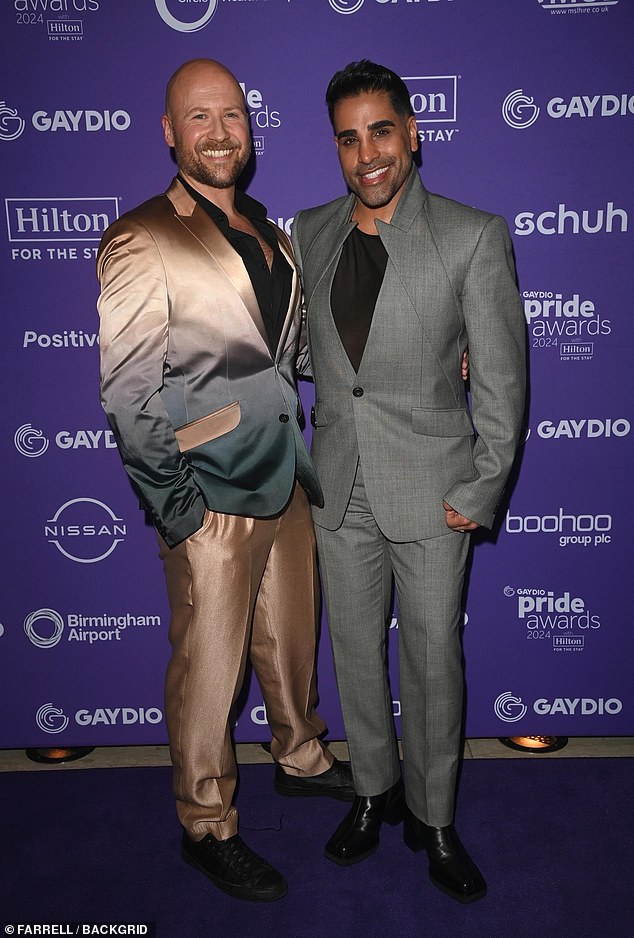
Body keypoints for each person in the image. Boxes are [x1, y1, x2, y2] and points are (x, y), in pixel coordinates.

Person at [97, 58, 353, 904]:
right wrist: (180, 511)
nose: (219, 131)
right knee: (211, 665)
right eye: (199, 117)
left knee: (290, 636)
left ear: (251, 129)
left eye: (233, 116)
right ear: (170, 132)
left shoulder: (273, 237)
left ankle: (300, 752)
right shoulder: (143, 236)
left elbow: (301, 358)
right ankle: (206, 822)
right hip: (206, 488)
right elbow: (129, 394)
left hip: (284, 475)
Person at [291, 60, 526, 904]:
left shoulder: (472, 235)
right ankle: (372, 793)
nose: (368, 154)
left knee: (432, 663)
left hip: (434, 493)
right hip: (340, 486)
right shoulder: (309, 229)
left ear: (413, 131)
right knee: (356, 655)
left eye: (381, 131)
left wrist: (481, 487)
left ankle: (432, 818)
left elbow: (501, 381)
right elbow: (313, 354)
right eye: (349, 139)